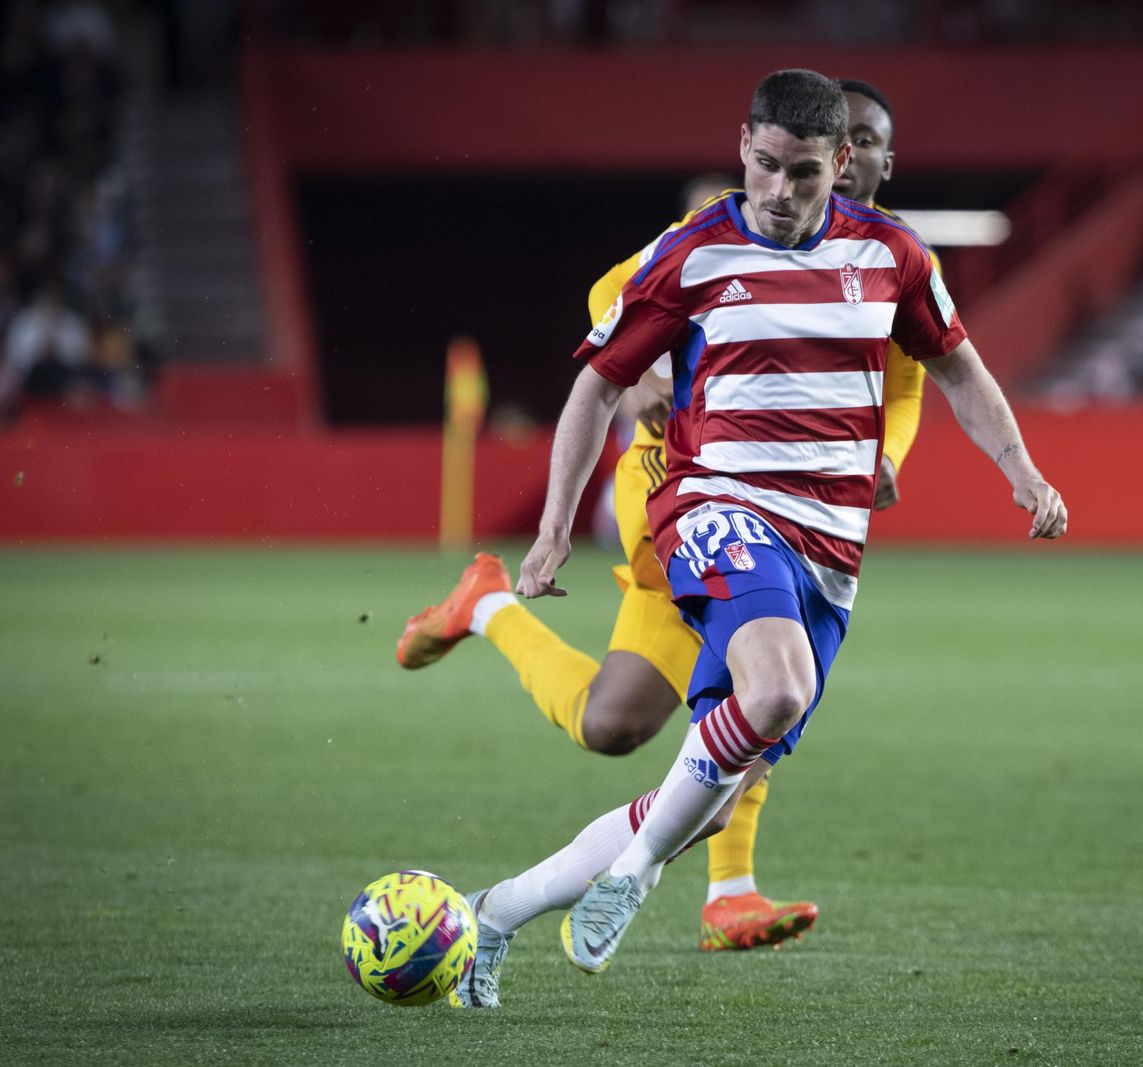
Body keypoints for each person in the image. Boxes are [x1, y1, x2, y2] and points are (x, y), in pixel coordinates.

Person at [448, 68, 1065, 1008]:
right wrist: (549, 532)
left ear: (844, 164)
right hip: (714, 507)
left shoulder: (894, 256)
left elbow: (959, 374)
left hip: (829, 550)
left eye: (805, 174)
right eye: (767, 166)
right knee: (775, 689)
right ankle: (648, 875)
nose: (780, 192)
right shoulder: (690, 253)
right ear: (743, 145)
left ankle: (493, 913)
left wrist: (1020, 469)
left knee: (706, 787)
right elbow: (594, 384)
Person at [396, 78, 923, 954]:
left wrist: (889, 453)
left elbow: (908, 376)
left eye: (870, 144)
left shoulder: (887, 256)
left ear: (871, 161)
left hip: (793, 516)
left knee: (618, 725)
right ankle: (727, 888)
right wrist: (647, 376)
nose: (858, 157)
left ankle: (484, 607)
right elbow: (618, 309)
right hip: (690, 502)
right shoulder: (718, 235)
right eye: (851, 138)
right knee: (760, 686)